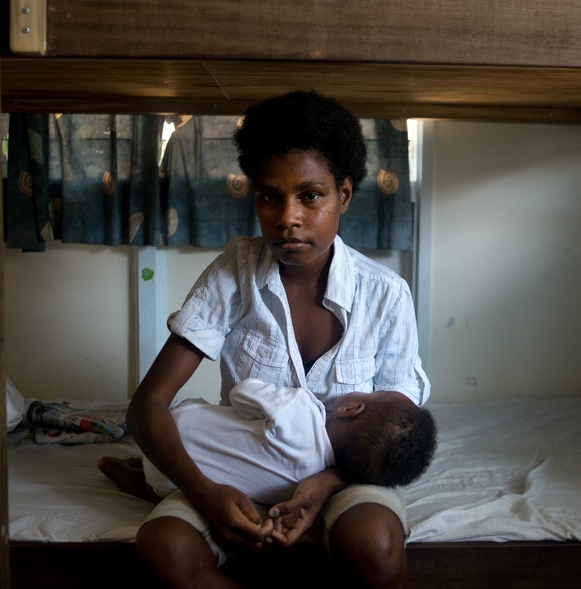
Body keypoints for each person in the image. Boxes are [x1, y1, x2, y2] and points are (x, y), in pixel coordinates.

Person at [126, 90, 431, 589]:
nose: (286, 216)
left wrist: (324, 482)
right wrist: (205, 494)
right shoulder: (233, 274)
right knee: (163, 549)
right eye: (269, 195)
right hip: (237, 469)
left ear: (345, 196)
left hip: (341, 481)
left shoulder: (386, 295)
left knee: (374, 546)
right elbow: (147, 408)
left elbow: (395, 430)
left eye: (310, 196)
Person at [99, 377, 436, 508]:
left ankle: (129, 463)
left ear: (351, 408)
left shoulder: (302, 410)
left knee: (207, 413)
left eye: (373, 390)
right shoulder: (309, 482)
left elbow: (241, 392)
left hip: (169, 433)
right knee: (154, 485)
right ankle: (128, 476)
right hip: (167, 485)